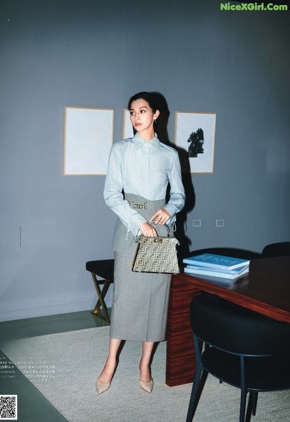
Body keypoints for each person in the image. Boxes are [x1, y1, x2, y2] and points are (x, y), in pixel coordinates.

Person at [96, 91, 185, 394]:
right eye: (132, 112)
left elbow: (179, 196)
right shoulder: (120, 149)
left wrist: (169, 209)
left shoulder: (170, 155)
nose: (136, 117)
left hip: (160, 230)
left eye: (142, 111)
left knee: (156, 300)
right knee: (125, 299)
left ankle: (145, 364)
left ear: (156, 114)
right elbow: (111, 194)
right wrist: (139, 222)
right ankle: (110, 362)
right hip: (130, 227)